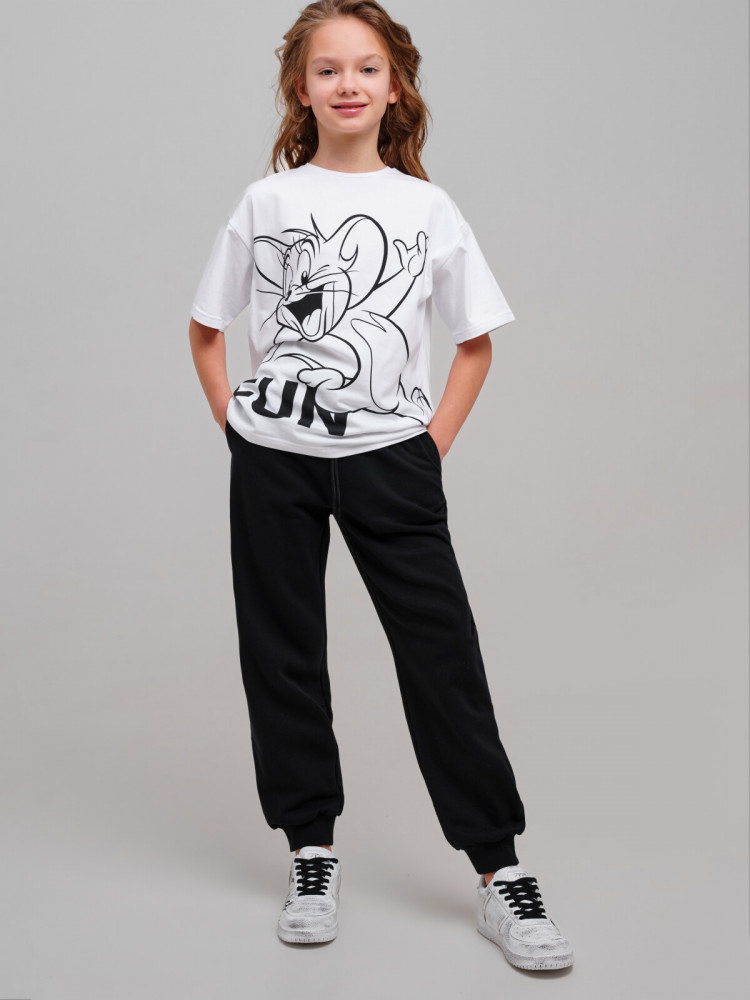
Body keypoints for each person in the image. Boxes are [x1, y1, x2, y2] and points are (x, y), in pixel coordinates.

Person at [188, 0, 574, 971]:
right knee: (282, 653)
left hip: (391, 461)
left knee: (442, 656)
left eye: (366, 68)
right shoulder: (265, 204)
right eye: (327, 69)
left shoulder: (426, 209)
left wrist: (428, 446)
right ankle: (310, 852)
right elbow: (206, 328)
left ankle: (500, 871)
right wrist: (240, 428)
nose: (348, 84)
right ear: (300, 89)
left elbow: (474, 343)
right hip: (274, 458)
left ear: (395, 86)